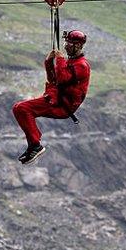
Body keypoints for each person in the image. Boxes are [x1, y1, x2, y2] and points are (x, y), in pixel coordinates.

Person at [12, 30, 91, 164]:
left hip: (62, 105)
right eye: (66, 42)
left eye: (70, 43)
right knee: (18, 108)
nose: (66, 46)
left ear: (78, 46)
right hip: (57, 100)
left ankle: (35, 145)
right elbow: (53, 79)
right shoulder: (72, 62)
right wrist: (49, 62)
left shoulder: (82, 66)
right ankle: (33, 144)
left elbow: (61, 79)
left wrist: (59, 59)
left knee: (22, 108)